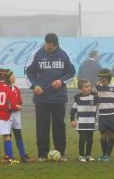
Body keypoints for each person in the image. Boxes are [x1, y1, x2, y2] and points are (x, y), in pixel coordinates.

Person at [25, 33, 76, 161]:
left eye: (50, 48)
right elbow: (28, 71)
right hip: (41, 98)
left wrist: (61, 81)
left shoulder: (64, 54)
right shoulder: (37, 53)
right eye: (46, 46)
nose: (47, 49)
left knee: (59, 126)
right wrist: (34, 86)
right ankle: (42, 154)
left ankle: (61, 153)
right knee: (42, 126)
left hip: (58, 98)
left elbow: (71, 72)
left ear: (56, 45)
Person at [94, 68, 114, 161]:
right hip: (101, 115)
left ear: (109, 79)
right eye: (100, 80)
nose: (101, 82)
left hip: (112, 114)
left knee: (111, 134)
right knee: (103, 136)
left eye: (103, 80)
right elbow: (93, 95)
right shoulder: (97, 87)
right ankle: (104, 153)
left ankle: (108, 155)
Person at [6, 69, 31, 163]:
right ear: (8, 77)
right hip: (6, 115)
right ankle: (9, 156)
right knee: (7, 136)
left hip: (16, 115)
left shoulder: (16, 89)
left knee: (18, 135)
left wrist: (19, 106)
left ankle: (23, 155)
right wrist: (12, 106)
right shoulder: (4, 89)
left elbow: (19, 101)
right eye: (13, 76)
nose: (14, 77)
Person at [70, 79, 98, 162]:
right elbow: (72, 110)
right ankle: (81, 155)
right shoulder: (78, 99)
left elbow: (98, 100)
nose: (89, 88)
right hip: (81, 123)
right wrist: (72, 120)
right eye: (86, 87)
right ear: (81, 89)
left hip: (91, 122)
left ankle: (88, 155)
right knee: (83, 139)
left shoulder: (94, 97)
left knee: (90, 139)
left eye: (90, 86)